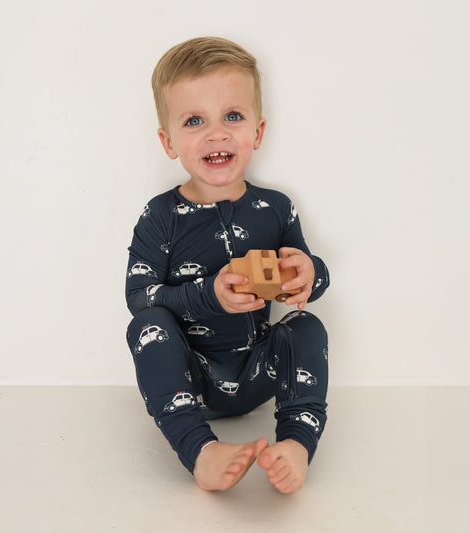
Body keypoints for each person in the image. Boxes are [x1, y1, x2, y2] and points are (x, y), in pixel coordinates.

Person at [125, 36, 330, 494]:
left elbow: (305, 281)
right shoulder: (160, 216)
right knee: (146, 326)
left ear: (257, 132)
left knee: (307, 325)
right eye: (195, 120)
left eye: (232, 116)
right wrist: (208, 295)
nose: (216, 134)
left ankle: (297, 443)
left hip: (259, 373)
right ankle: (200, 451)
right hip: (190, 379)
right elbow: (138, 297)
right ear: (168, 141)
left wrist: (311, 273)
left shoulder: (276, 209)